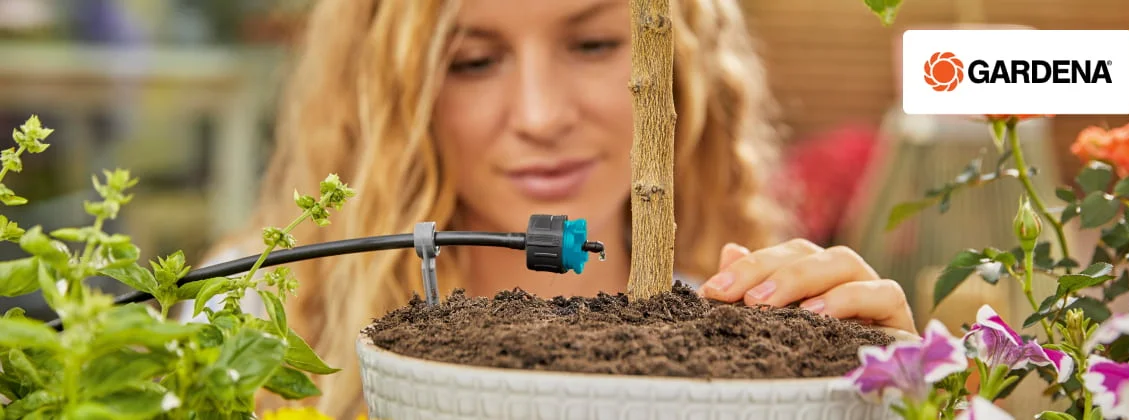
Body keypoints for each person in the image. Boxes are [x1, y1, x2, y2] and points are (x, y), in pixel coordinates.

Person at [189, 0, 917, 417]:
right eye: (473, 61)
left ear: (682, 71)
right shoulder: (255, 316)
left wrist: (899, 397)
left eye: (593, 43)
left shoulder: (747, 334)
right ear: (386, 94)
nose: (539, 115)